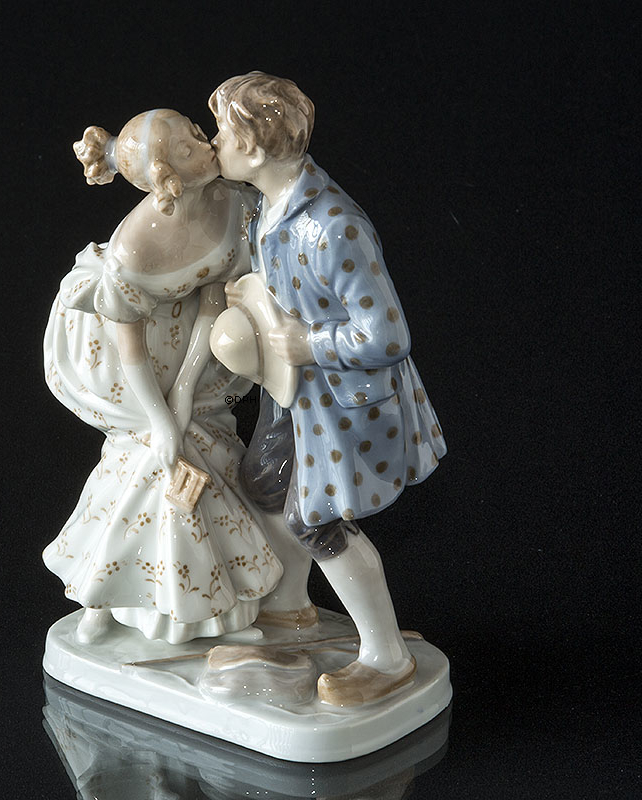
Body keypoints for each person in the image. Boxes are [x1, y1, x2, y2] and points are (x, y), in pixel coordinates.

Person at [209, 73, 447, 705]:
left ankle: (387, 656)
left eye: (222, 132)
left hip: (343, 401)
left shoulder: (333, 226)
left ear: (253, 146)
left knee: (315, 521)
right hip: (293, 393)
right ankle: (290, 610)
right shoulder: (266, 208)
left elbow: (387, 334)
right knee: (264, 481)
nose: (214, 144)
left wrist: (307, 344)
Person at [43, 109, 282, 645]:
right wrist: (159, 417)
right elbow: (127, 343)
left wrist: (186, 391)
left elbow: (213, 300)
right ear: (168, 178)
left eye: (197, 131)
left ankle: (213, 609)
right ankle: (101, 594)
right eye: (191, 146)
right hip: (132, 355)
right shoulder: (135, 247)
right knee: (147, 458)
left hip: (191, 340)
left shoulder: (229, 201)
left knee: (204, 445)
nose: (206, 141)